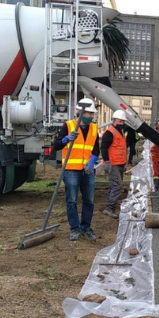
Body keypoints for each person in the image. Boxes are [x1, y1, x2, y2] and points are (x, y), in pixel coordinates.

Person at [52, 98, 100, 241]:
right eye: (89, 113)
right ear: (80, 112)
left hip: (87, 171)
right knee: (72, 200)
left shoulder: (94, 128)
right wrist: (66, 139)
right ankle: (74, 228)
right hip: (71, 170)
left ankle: (86, 227)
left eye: (92, 114)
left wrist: (92, 162)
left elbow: (96, 149)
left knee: (89, 201)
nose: (91, 116)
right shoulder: (68, 125)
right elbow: (56, 146)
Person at [101, 110, 128, 219]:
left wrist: (124, 164)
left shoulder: (120, 132)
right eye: (120, 121)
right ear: (114, 120)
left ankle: (110, 206)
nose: (122, 123)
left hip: (120, 163)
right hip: (113, 164)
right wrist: (107, 161)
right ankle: (109, 208)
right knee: (118, 186)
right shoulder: (109, 133)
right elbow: (103, 148)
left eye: (123, 121)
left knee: (114, 186)